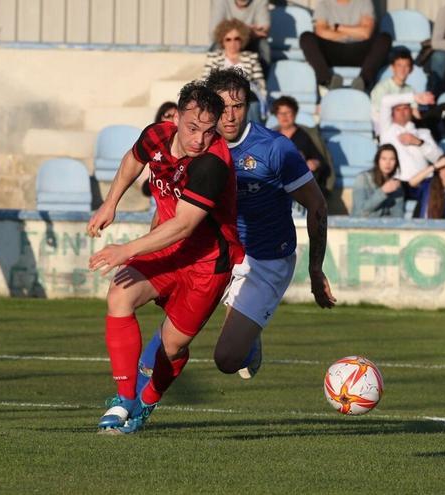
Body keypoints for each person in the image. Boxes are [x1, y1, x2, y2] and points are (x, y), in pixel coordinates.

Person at [137, 68, 335, 391]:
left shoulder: (275, 149)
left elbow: (317, 206)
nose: (230, 116)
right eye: (223, 107)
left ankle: (248, 337)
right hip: (216, 253)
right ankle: (130, 407)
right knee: (155, 352)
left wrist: (316, 269)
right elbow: (170, 203)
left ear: (248, 106)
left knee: (227, 360)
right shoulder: (197, 145)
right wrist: (154, 251)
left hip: (264, 260)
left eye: (238, 106)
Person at [87, 81, 240, 434]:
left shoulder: (213, 164)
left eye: (207, 131)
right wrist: (111, 203)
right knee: (120, 295)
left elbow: (184, 226)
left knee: (171, 348)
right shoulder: (157, 135)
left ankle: (146, 402)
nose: (199, 139)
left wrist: (126, 249)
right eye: (191, 128)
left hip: (208, 262)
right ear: (178, 115)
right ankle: (125, 399)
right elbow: (132, 160)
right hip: (168, 250)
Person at [298, 0, 392, 92]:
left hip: (358, 51)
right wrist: (351, 33)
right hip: (332, 51)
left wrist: (337, 27)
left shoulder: (364, 2)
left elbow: (366, 33)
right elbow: (320, 31)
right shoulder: (324, 4)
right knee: (306, 37)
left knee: (385, 38)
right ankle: (327, 81)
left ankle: (363, 81)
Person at [369, 50, 445, 139]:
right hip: (389, 127)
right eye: (399, 66)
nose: (403, 70)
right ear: (392, 67)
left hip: (409, 123)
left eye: (406, 66)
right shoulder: (382, 88)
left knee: (443, 109)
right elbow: (378, 115)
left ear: (411, 69)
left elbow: (415, 113)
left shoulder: (409, 89)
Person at [203, 18, 266, 122]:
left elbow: (260, 84)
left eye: (237, 38)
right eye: (228, 39)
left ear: (242, 39)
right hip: (220, 97)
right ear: (222, 41)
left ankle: (255, 135)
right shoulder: (214, 57)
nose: (233, 42)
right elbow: (205, 81)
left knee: (253, 103)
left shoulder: (251, 57)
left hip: (246, 96)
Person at [270, 96, 331, 196]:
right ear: (276, 115)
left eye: (288, 112)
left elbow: (323, 163)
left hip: (302, 185)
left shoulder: (306, 135)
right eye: (281, 113)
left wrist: (315, 163)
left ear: (295, 113)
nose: (284, 116)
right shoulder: (270, 136)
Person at [378, 93, 443, 182]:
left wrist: (418, 142)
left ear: (411, 111)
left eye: (405, 108)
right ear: (392, 114)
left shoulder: (423, 133)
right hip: (398, 183)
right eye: (398, 109)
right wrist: (414, 97)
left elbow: (439, 159)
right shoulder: (387, 130)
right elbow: (385, 101)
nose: (402, 112)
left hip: (424, 182)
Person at [208, 0, 271, 70]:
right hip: (227, 42)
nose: (233, 43)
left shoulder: (261, 1)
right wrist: (247, 30)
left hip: (251, 41)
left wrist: (231, 29)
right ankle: (213, 76)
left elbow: (263, 31)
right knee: (215, 47)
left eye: (237, 39)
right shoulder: (220, 2)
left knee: (263, 45)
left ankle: (266, 76)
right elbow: (214, 33)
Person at [351, 144, 405, 217]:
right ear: (377, 161)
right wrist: (383, 192)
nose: (388, 163)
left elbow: (398, 216)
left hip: (384, 227)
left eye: (392, 159)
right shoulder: (362, 179)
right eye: (384, 159)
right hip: (360, 226)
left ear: (396, 162)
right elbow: (360, 212)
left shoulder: (396, 185)